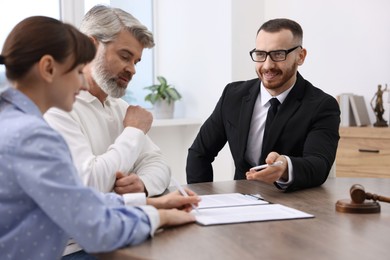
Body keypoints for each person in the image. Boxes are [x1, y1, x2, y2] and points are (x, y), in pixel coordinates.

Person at [0, 16, 199, 260]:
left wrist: (151, 203)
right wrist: (160, 217)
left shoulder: (12, 121)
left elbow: (77, 199)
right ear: (48, 68)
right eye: (77, 71)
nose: (83, 82)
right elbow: (94, 226)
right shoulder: (32, 135)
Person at [186, 18, 340, 192]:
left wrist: (285, 166)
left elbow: (319, 165)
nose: (267, 65)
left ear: (300, 56)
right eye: (260, 54)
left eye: (278, 54)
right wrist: (203, 201)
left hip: (294, 204)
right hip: (241, 201)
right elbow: (199, 154)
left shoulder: (322, 105)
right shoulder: (233, 95)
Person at [44, 5, 170, 198]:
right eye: (125, 56)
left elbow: (159, 164)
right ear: (90, 46)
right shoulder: (58, 109)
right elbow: (90, 183)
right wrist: (134, 131)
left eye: (135, 61)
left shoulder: (121, 108)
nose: (132, 70)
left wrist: (143, 183)